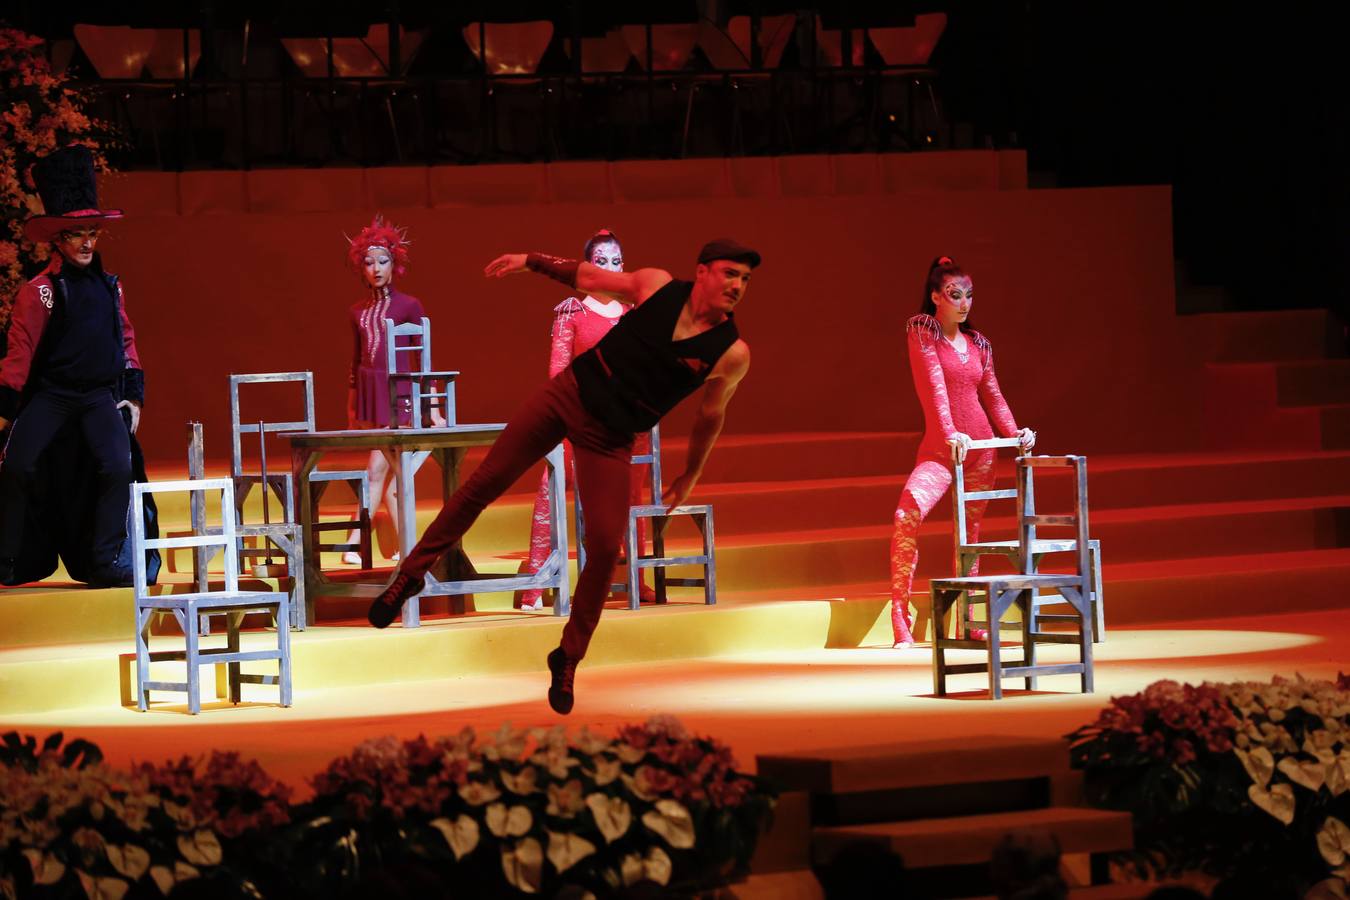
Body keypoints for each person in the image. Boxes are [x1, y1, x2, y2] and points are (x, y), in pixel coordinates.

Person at [367, 238, 757, 717]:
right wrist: (528, 261)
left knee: (604, 546)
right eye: (729, 273)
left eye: (744, 279)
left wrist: (690, 476)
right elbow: (590, 278)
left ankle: (567, 656)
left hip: (611, 439)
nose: (737, 285)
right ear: (701, 273)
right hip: (568, 396)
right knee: (483, 484)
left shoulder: (731, 353)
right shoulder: (656, 286)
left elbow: (709, 417)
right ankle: (410, 575)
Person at [0, 145, 145, 588]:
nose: (86, 242)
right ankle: (7, 558)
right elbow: (20, 351)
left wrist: (134, 395)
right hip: (51, 395)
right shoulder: (40, 291)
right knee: (18, 466)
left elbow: (126, 342)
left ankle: (103, 560)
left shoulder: (109, 288)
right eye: (76, 234)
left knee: (117, 465)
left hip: (96, 397)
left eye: (92, 233)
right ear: (58, 239)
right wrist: (6, 409)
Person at [890, 256, 1034, 647]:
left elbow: (993, 396)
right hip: (942, 448)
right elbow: (934, 388)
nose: (964, 302)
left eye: (969, 295)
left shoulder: (978, 343)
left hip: (981, 450)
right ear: (936, 296)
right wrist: (950, 432)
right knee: (907, 514)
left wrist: (1015, 431)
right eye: (955, 295)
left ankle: (968, 620)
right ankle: (900, 616)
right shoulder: (922, 331)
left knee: (969, 536)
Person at [517, 229, 653, 610]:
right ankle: (535, 585)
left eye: (616, 262)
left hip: (624, 425)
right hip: (580, 424)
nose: (609, 269)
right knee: (549, 490)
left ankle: (635, 581)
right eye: (601, 262)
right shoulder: (571, 313)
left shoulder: (633, 315)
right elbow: (558, 375)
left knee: (630, 496)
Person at [341, 215, 442, 565]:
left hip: (400, 398)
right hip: (373, 397)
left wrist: (431, 406)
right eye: (369, 263)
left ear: (394, 264)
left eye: (382, 261)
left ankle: (360, 542)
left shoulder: (408, 306)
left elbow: (422, 358)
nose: (375, 268)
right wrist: (353, 407)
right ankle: (399, 548)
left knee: (383, 475)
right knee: (383, 476)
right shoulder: (357, 311)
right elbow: (356, 362)